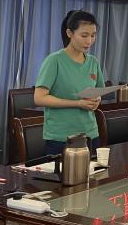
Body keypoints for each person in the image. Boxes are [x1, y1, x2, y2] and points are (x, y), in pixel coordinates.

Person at [34, 10, 105, 156]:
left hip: (90, 134)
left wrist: (97, 100)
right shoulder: (54, 60)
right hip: (61, 137)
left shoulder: (93, 62)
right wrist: (77, 103)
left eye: (93, 35)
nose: (89, 41)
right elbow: (39, 98)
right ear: (69, 33)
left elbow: (99, 91)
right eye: (84, 35)